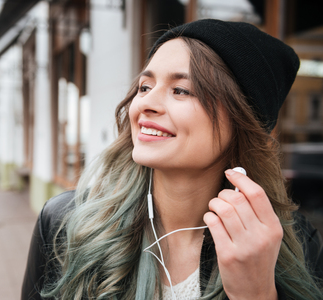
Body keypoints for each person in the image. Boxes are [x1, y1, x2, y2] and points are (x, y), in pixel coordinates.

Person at [21, 19, 323, 299]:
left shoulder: (291, 245)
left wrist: (257, 292)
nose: (146, 104)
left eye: (181, 90)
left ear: (242, 121)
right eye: (145, 86)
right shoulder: (66, 224)